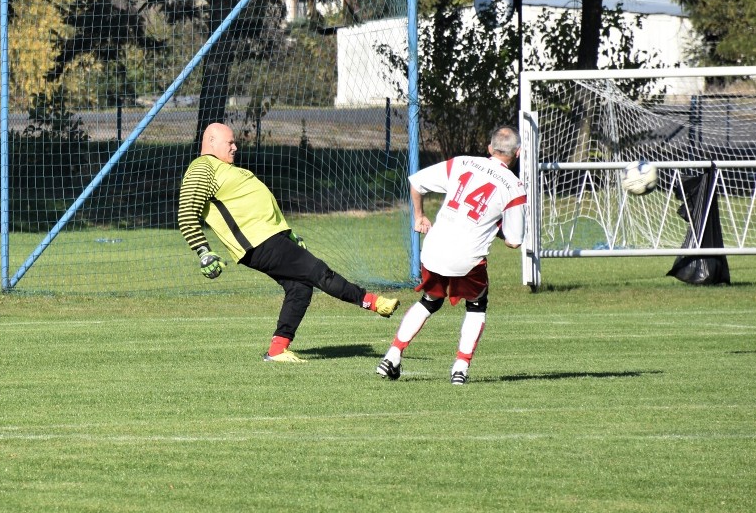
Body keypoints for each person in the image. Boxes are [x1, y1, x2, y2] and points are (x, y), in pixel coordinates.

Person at [178, 122, 400, 363]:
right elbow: (187, 212)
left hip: (271, 238)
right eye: (229, 142)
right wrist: (203, 251)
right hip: (258, 242)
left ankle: (277, 349)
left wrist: (291, 236)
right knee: (318, 272)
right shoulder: (202, 167)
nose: (235, 147)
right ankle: (373, 302)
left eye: (234, 142)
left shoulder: (225, 169)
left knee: (300, 288)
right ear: (211, 141)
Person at [376, 126, 526, 384]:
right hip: (467, 257)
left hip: (434, 248)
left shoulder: (461, 163)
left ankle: (392, 355)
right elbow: (514, 241)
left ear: (489, 148)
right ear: (519, 152)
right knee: (476, 305)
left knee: (430, 300)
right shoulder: (514, 187)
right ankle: (460, 367)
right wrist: (497, 225)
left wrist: (420, 216)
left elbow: (416, 182)